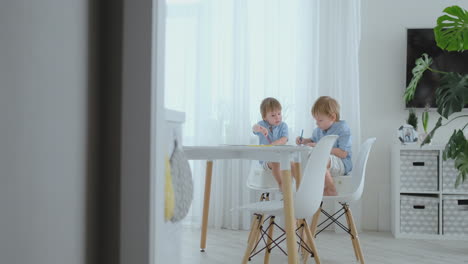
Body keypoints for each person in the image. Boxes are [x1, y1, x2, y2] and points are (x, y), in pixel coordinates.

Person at [296, 96, 352, 196]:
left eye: (320, 120)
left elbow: (343, 154)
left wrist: (319, 146)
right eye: (316, 120)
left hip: (342, 163)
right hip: (326, 161)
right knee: (307, 158)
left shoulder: (342, 128)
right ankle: (305, 189)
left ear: (332, 117)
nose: (317, 123)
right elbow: (312, 140)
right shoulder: (319, 130)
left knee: (319, 157)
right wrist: (304, 140)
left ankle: (330, 188)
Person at [252, 97, 293, 192]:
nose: (278, 117)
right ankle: (281, 183)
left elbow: (284, 139)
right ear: (265, 117)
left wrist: (273, 144)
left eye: (279, 114)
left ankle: (296, 184)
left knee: (293, 164)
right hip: (266, 159)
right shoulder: (262, 124)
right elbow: (254, 128)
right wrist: (260, 129)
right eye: (273, 115)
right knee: (275, 161)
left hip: (282, 156)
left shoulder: (283, 125)